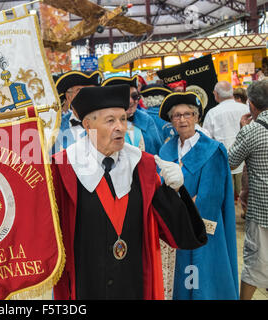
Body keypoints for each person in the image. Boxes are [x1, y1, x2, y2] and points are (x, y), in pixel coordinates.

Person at [51, 84, 207, 300]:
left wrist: (178, 191)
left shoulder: (143, 166)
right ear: (88, 125)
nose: (121, 127)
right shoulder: (62, 170)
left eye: (123, 119)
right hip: (85, 285)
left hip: (134, 284)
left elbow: (182, 236)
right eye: (110, 120)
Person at [158, 92, 239, 300]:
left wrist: (182, 212)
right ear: (171, 120)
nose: (182, 119)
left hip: (201, 227)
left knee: (202, 278)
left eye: (187, 114)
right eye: (176, 115)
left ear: (196, 117)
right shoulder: (166, 149)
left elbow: (210, 196)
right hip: (173, 228)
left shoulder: (212, 150)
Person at [228, 80, 268, 300]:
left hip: (262, 207)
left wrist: (242, 131)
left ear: (251, 104)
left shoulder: (252, 131)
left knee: (255, 262)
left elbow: (231, 162)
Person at [203, 81, 249, 200]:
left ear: (216, 94)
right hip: (246, 162)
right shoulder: (246, 109)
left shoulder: (212, 113)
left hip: (223, 162)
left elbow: (206, 139)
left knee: (227, 200)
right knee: (247, 198)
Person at [102, 76, 163, 155]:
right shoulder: (99, 123)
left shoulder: (146, 120)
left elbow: (157, 153)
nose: (131, 101)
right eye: (124, 97)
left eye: (134, 96)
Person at [52, 70, 102, 153]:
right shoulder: (55, 127)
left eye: (93, 91)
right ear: (69, 97)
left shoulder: (109, 122)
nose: (89, 96)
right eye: (81, 92)